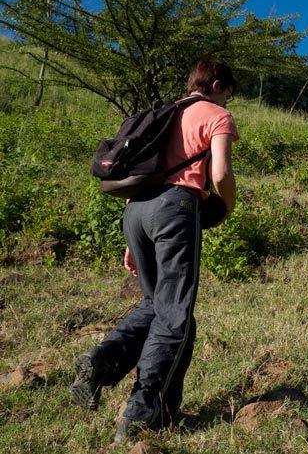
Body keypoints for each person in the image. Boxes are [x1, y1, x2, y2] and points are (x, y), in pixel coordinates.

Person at [70, 58, 240, 444]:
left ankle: (104, 358)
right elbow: (220, 174)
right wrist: (227, 205)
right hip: (176, 208)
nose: (229, 100)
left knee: (156, 302)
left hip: (136, 211)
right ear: (216, 84)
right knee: (175, 316)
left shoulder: (164, 112)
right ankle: (142, 416)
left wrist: (134, 241)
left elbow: (144, 169)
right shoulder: (216, 115)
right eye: (229, 92)